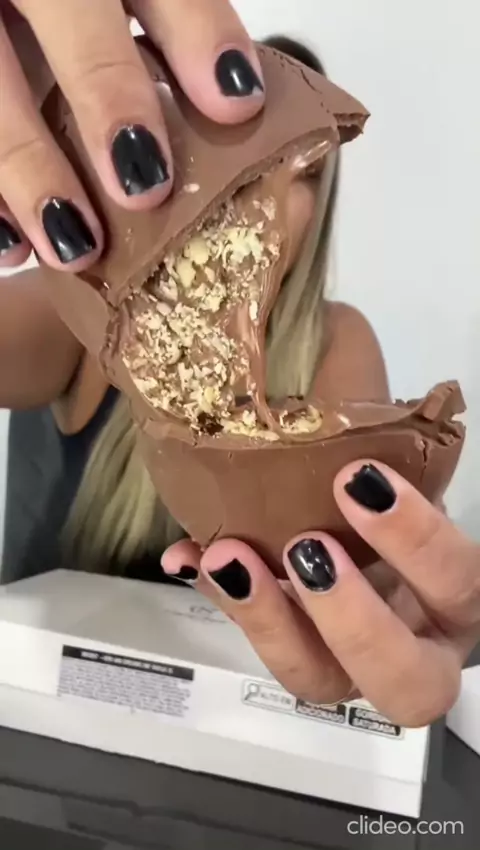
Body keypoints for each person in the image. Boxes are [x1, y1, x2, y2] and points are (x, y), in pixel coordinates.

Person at [0, 3, 478, 727]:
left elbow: (368, 563)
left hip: (234, 734)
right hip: (43, 718)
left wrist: (387, 583)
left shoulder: (333, 342)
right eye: (222, 154)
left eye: (300, 169)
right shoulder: (82, 313)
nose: (257, 195)